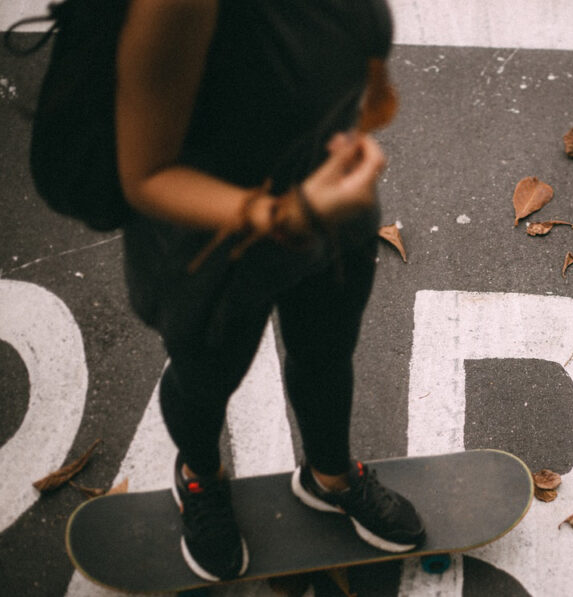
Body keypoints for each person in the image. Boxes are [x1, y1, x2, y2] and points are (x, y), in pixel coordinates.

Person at [115, 0, 424, 581]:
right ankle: (201, 477)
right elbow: (145, 174)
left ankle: (329, 478)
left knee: (326, 357)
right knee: (207, 378)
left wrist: (364, 111)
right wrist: (287, 213)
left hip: (333, 222)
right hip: (212, 247)